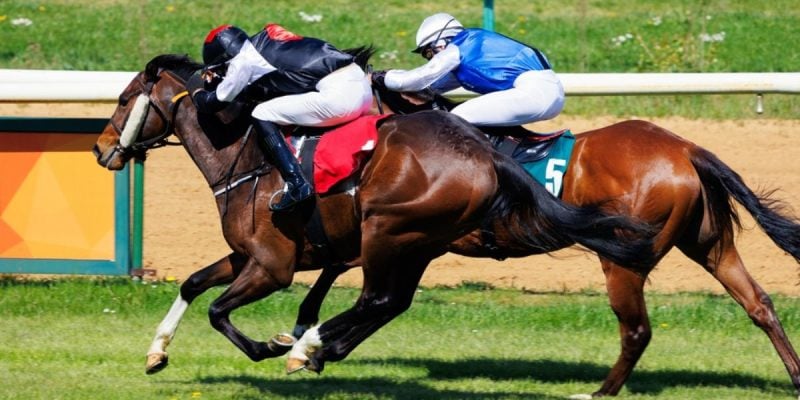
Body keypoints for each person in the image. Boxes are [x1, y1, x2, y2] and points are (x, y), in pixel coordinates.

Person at [192, 24, 373, 212]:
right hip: (361, 88)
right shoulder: (263, 44)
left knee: (261, 113)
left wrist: (196, 89)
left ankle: (296, 182)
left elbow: (215, 102)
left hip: (342, 98)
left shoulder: (242, 61)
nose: (224, 72)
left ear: (226, 57)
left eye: (222, 68)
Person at [371, 12, 564, 128]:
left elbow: (417, 79)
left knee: (453, 119)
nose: (431, 57)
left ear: (441, 41)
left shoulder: (459, 46)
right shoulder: (470, 50)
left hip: (535, 93)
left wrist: (380, 76)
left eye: (429, 52)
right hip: (546, 92)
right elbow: (432, 88)